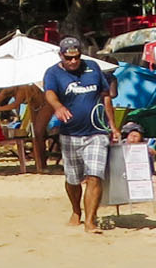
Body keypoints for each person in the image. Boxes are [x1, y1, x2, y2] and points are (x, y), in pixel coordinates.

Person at [42, 37, 115, 234]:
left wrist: (113, 127)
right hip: (70, 134)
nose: (73, 61)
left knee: (95, 175)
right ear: (61, 56)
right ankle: (76, 211)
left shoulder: (92, 67)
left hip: (96, 132)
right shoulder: (53, 73)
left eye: (77, 57)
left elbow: (106, 96)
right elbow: (49, 93)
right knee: (73, 179)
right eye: (69, 58)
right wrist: (58, 106)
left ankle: (90, 221)